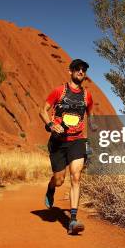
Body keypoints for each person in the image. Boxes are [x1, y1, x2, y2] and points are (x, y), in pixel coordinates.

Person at [39, 58, 95, 235]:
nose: (81, 72)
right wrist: (50, 125)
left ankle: (72, 220)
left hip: (77, 141)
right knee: (59, 179)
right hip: (58, 141)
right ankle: (50, 189)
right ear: (70, 71)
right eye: (77, 69)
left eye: (83, 70)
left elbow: (90, 116)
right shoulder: (59, 91)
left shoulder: (87, 96)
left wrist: (93, 129)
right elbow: (43, 110)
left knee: (76, 176)